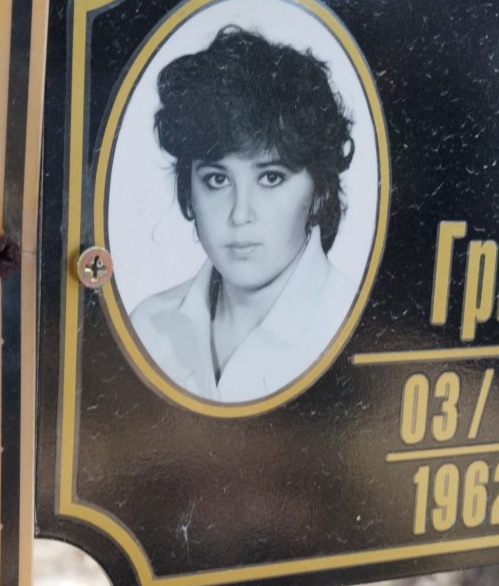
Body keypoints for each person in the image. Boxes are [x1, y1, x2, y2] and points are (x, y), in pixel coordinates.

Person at [129, 24, 363, 403]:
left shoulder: (357, 330)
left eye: (271, 178)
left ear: (319, 192)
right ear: (188, 192)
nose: (240, 215)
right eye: (217, 179)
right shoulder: (148, 329)